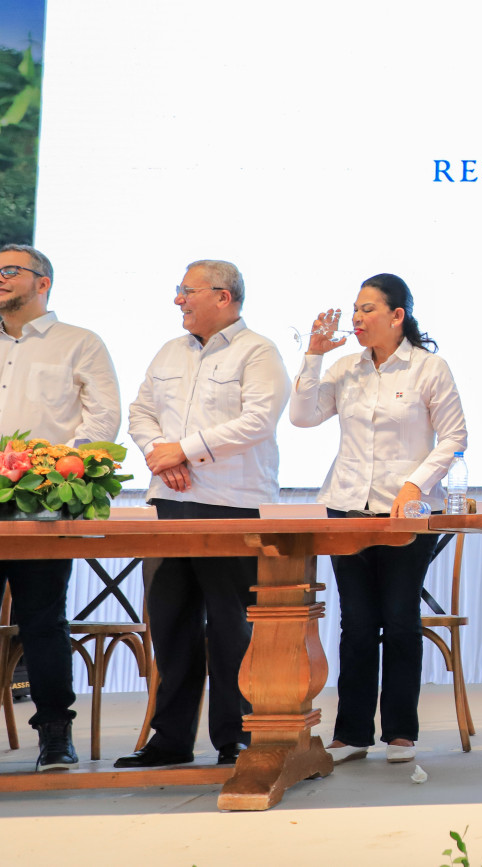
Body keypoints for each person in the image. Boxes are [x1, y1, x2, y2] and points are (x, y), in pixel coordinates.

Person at [117, 259, 289, 768]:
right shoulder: (170, 350)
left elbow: (258, 420)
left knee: (231, 628)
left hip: (232, 505)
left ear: (223, 296)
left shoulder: (258, 351)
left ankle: (235, 737)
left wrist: (185, 450)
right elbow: (140, 412)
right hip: (169, 503)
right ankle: (170, 740)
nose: (178, 300)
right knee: (170, 623)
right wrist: (161, 453)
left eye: (186, 291)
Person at [289, 273, 467, 763]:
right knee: (357, 623)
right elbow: (302, 417)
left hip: (405, 512)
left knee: (400, 618)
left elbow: (454, 437)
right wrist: (313, 355)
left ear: (397, 315)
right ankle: (352, 733)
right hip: (346, 504)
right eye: (355, 309)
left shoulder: (429, 368)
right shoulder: (345, 367)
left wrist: (416, 484)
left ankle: (401, 732)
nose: (357, 318)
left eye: (368, 309)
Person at [0, 244, 120, 772]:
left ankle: (54, 733)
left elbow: (102, 418)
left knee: (42, 620)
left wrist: (56, 470)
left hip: (40, 504)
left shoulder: (79, 342)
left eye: (10, 270)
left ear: (42, 282)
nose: (0, 278)